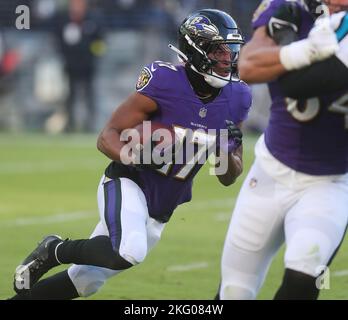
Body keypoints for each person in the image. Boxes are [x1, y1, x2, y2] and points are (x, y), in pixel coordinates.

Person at [11, 9, 252, 300]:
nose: (228, 59)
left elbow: (229, 176)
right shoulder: (165, 81)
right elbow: (107, 137)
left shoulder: (238, 96)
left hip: (161, 209)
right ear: (196, 50)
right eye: (219, 51)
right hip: (129, 182)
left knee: (86, 281)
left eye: (232, 51)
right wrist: (136, 157)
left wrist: (225, 151)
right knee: (128, 250)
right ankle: (53, 250)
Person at [218, 0, 348, 300]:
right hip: (270, 171)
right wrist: (305, 50)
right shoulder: (288, 9)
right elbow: (248, 66)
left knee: (304, 275)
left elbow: (297, 84)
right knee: (234, 291)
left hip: (329, 182)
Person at [55, 0, 104, 133]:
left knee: (90, 95)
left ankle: (90, 125)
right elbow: (58, 41)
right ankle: (70, 125)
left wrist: (94, 57)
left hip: (88, 66)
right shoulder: (63, 21)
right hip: (70, 66)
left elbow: (100, 42)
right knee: (70, 96)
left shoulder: (93, 21)